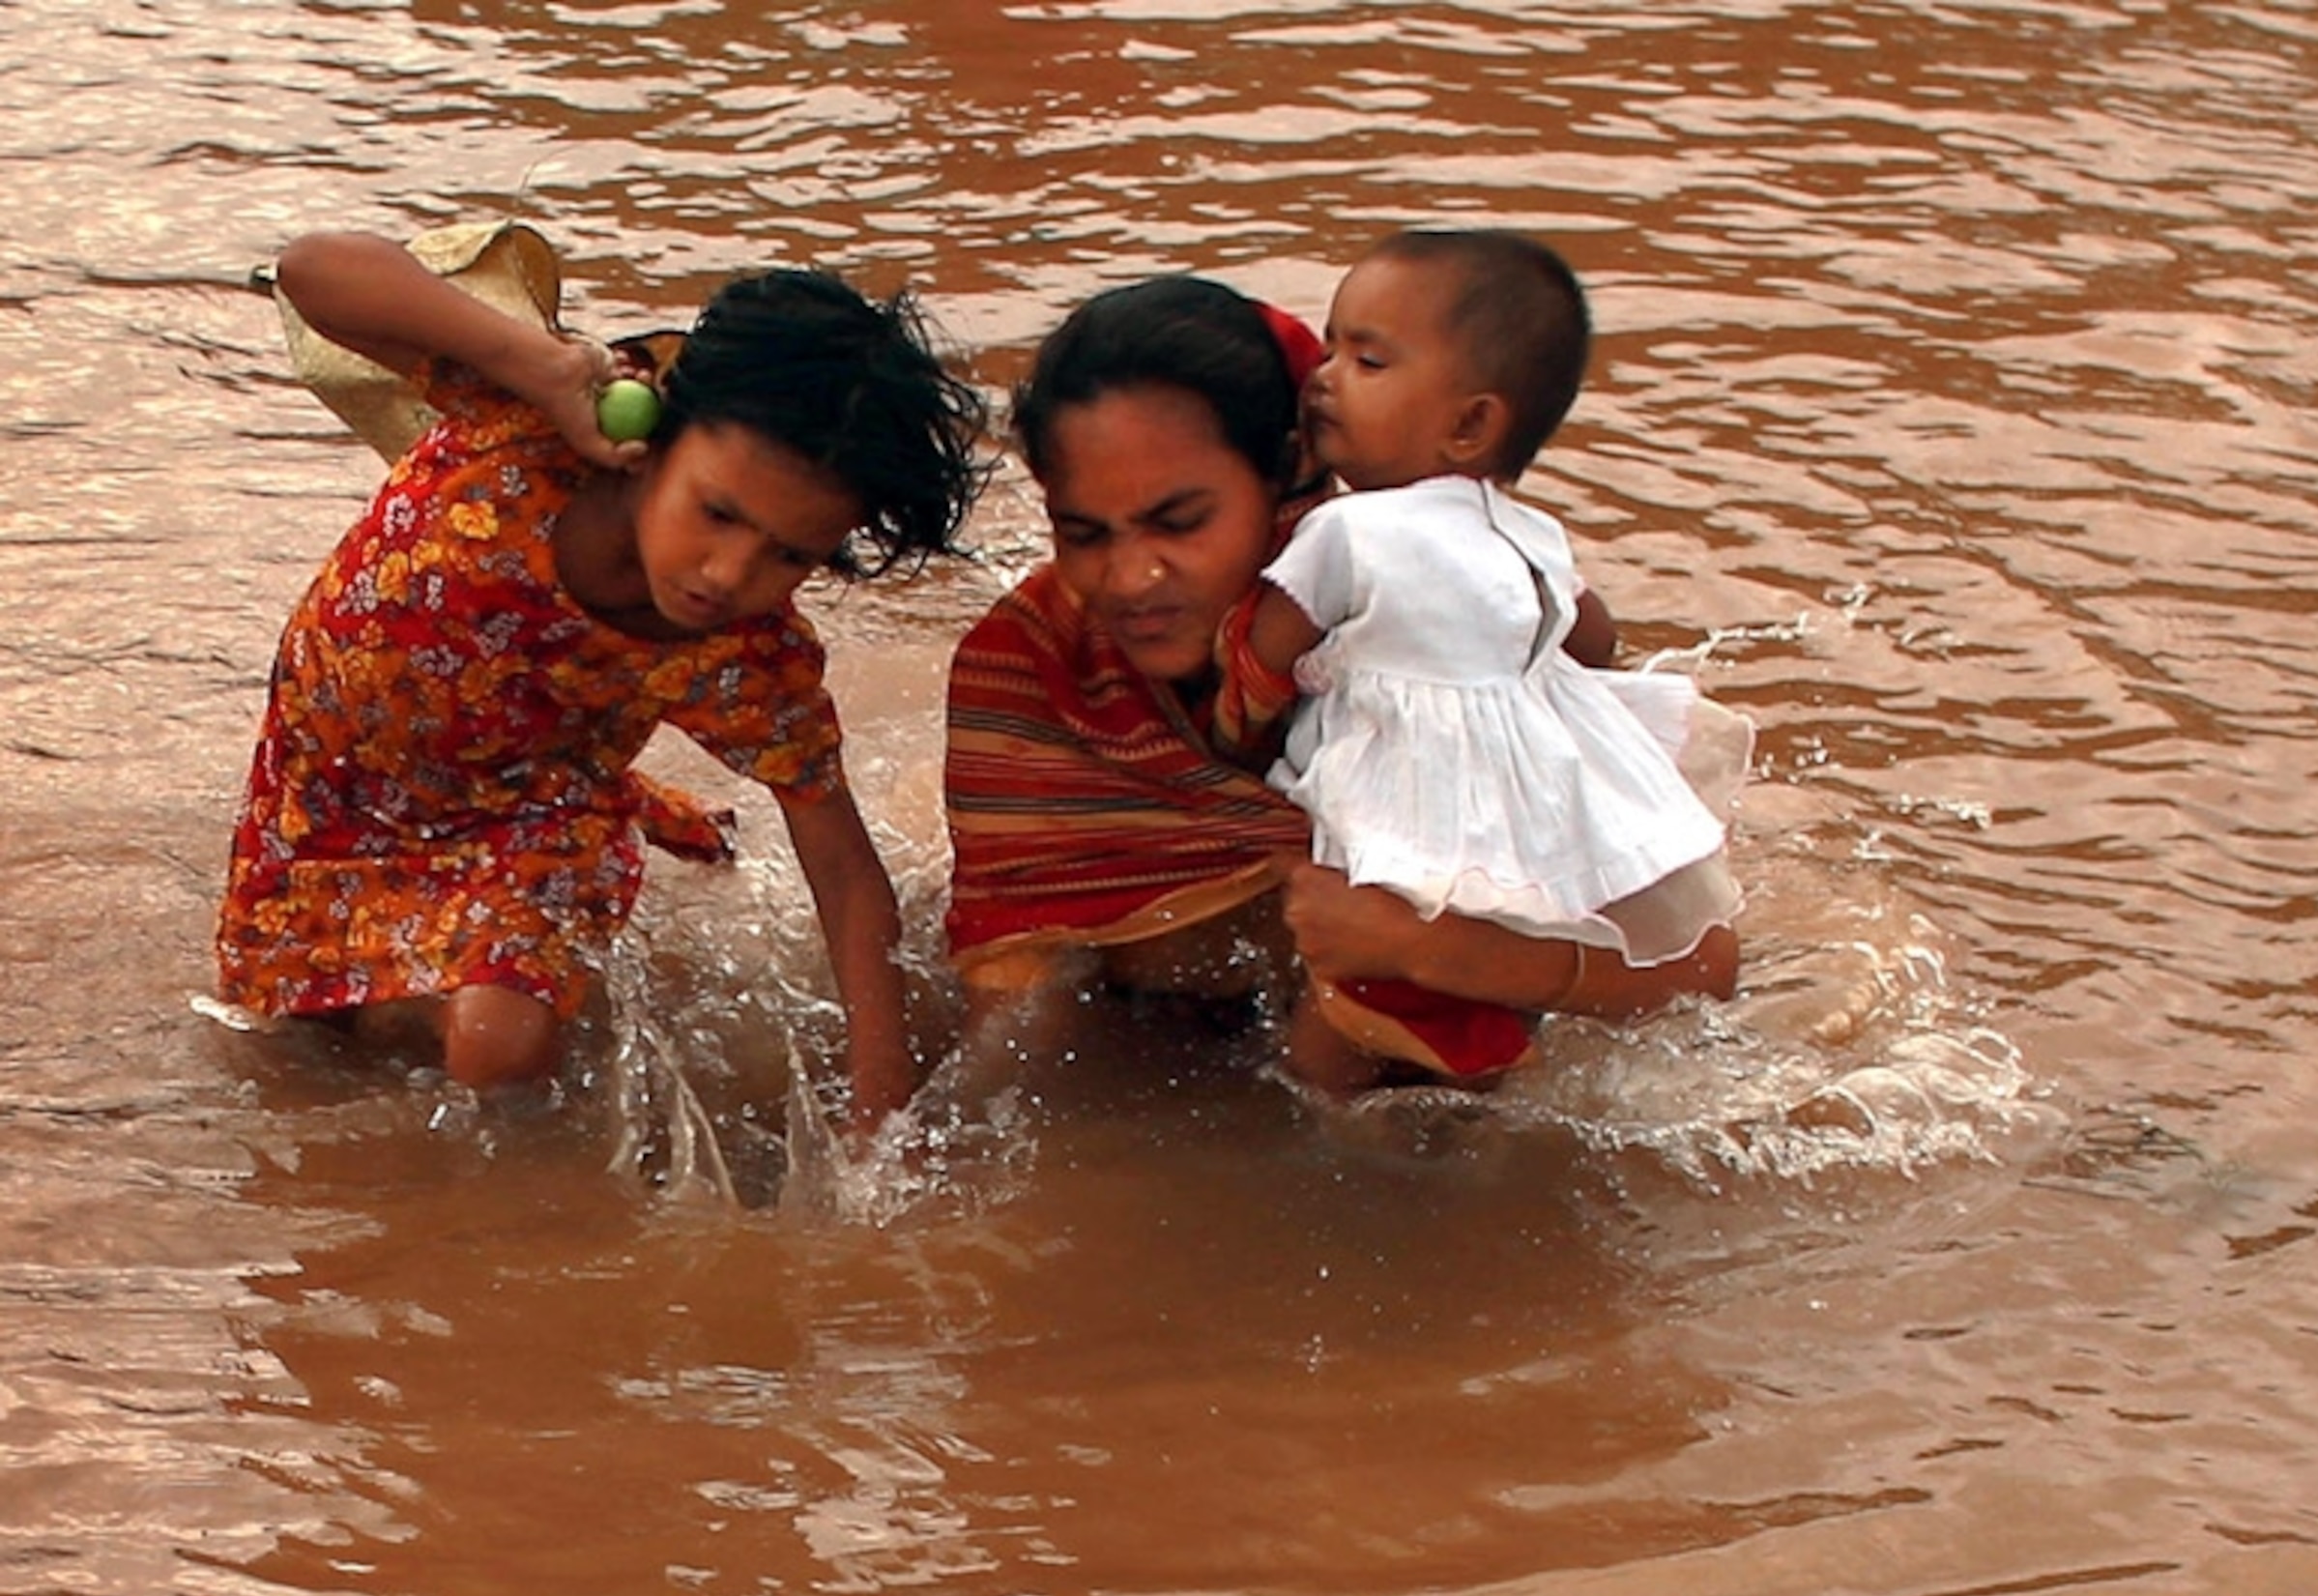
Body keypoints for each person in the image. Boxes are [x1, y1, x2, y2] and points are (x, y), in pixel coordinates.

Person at [214, 228, 987, 1127]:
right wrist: (537, 364)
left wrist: (878, 1120)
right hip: (324, 785)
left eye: (789, 553)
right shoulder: (535, 420)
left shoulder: (743, 658)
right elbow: (313, 272)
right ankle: (606, 834)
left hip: (524, 818)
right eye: (718, 512)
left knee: (495, 1051)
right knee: (307, 1042)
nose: (728, 575)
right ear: (653, 440)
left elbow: (846, 878)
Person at [942, 273, 1736, 1089]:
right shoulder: (1035, 673)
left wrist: (1433, 950)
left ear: (1289, 471)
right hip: (1169, 1042)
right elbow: (1012, 1017)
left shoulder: (1431, 646)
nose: (1134, 576)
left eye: (1181, 523)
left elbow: (1702, 969)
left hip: (1416, 1066)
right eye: (1083, 533)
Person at [1249, 228, 1745, 1092]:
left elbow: (1262, 654)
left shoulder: (1351, 530)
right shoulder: (1532, 532)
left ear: (1473, 423)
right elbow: (1591, 636)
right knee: (1471, 1052)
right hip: (1516, 824)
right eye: (1327, 348)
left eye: (1366, 361)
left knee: (1324, 1047)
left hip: (1403, 822)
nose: (1322, 378)